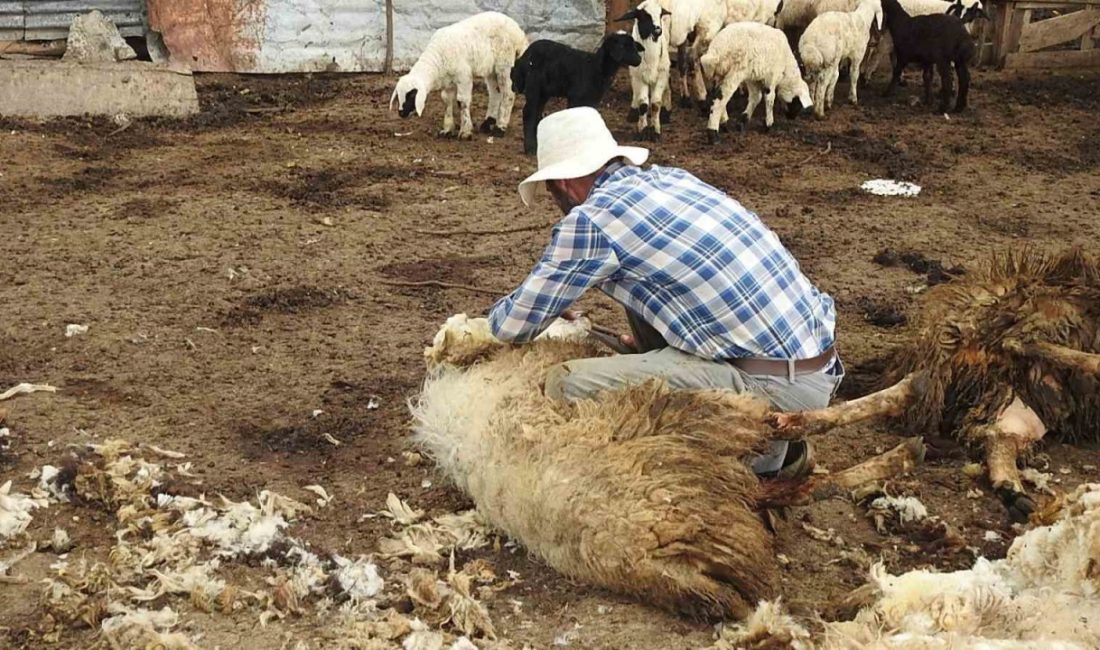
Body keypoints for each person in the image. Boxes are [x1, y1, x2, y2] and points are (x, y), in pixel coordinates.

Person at [486, 107, 842, 480]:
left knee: (563, 384)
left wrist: (490, 320)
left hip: (773, 386)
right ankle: (775, 439)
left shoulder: (591, 221)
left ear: (561, 183)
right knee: (641, 295)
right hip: (817, 365)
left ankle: (763, 459)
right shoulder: (672, 180)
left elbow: (512, 326)